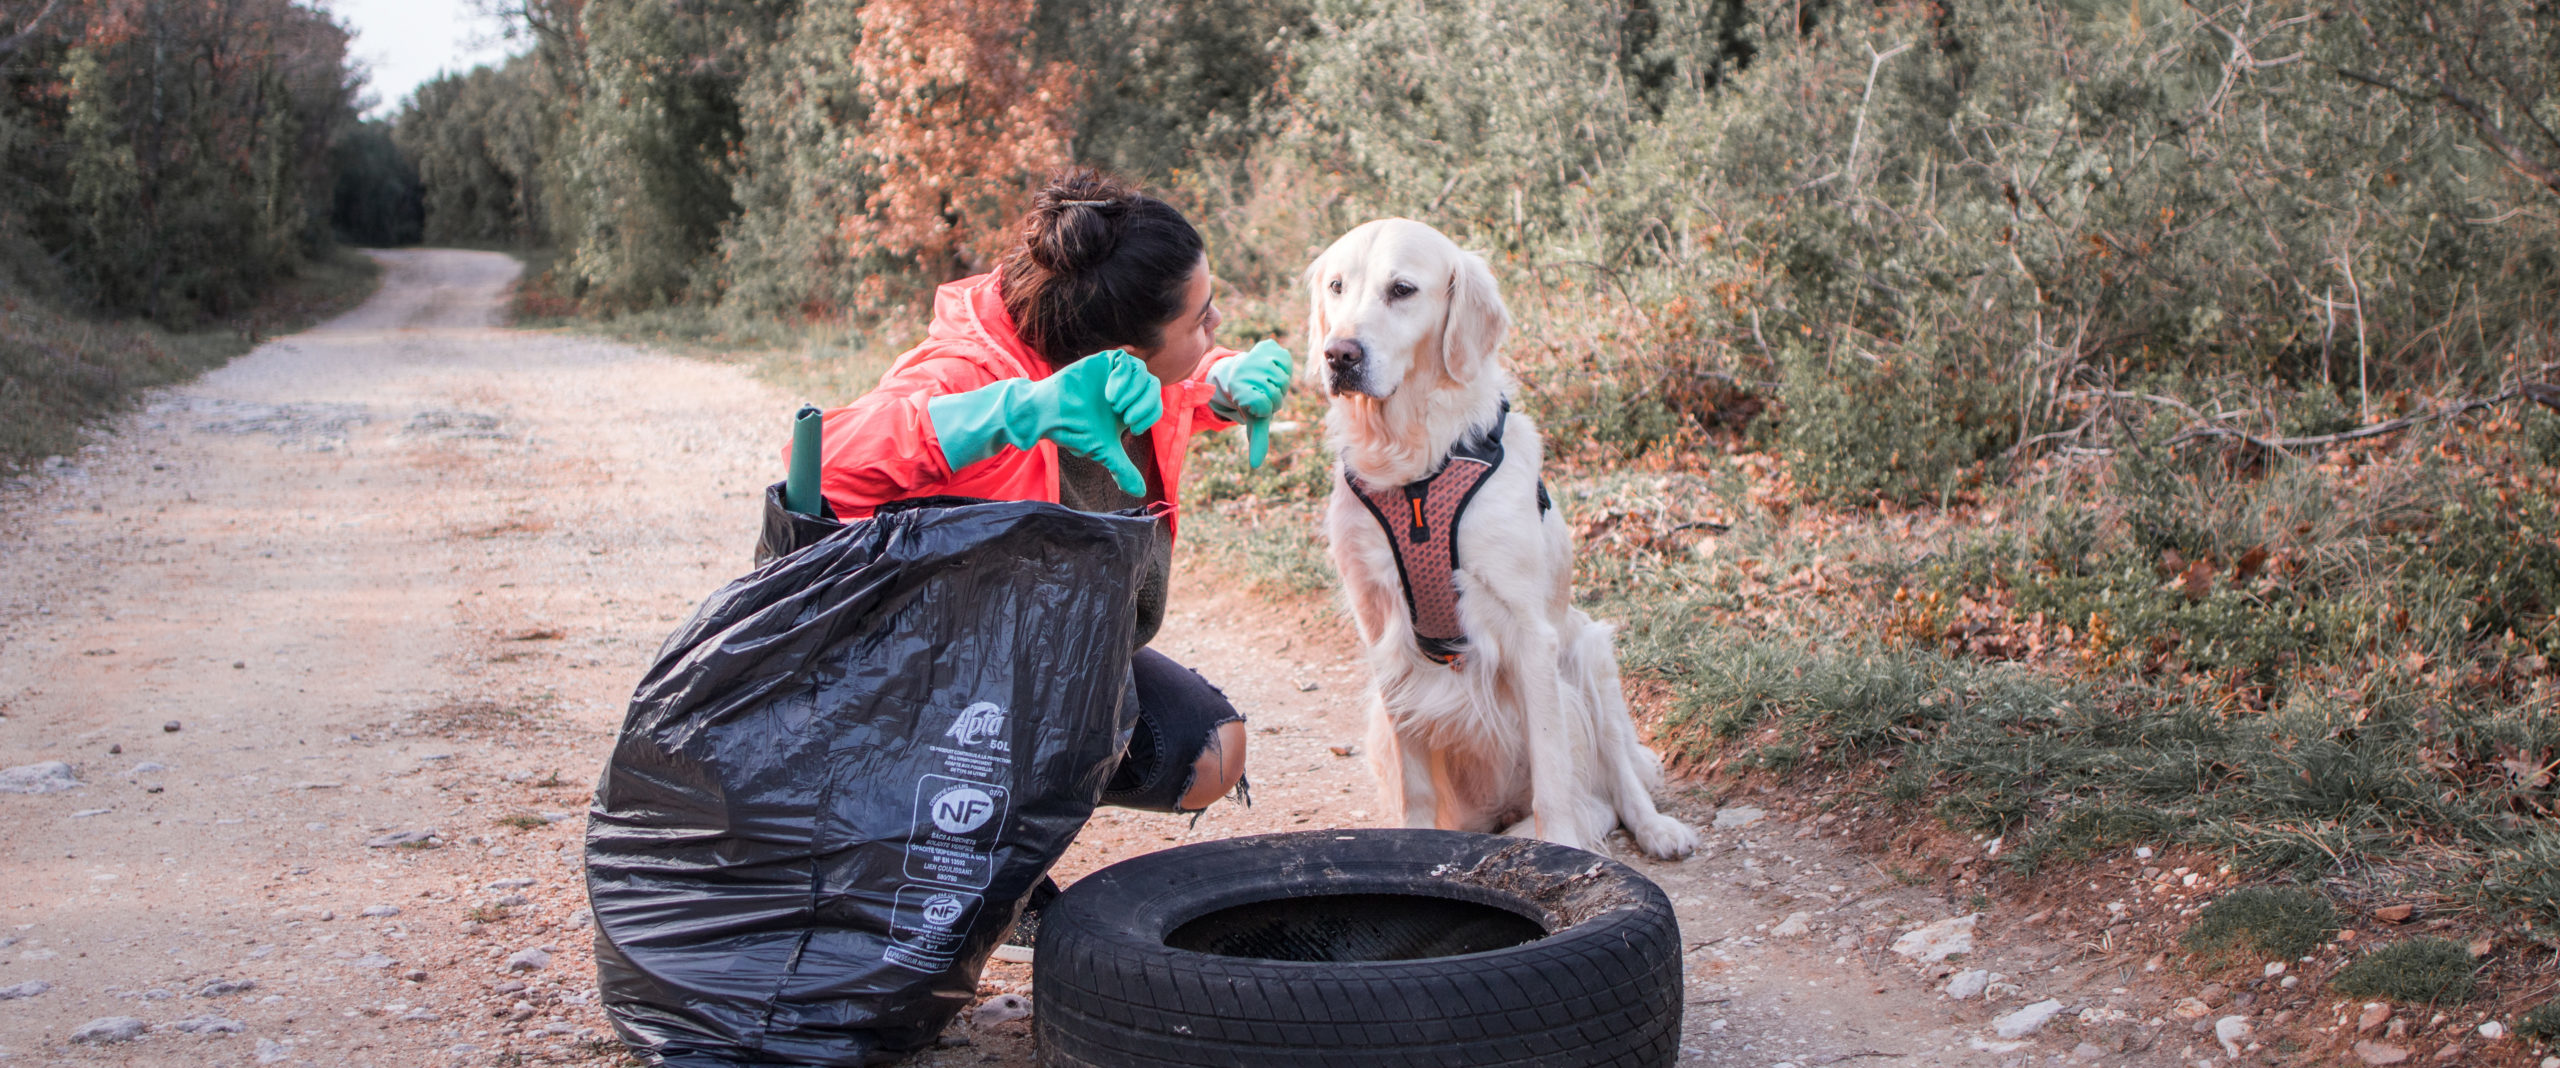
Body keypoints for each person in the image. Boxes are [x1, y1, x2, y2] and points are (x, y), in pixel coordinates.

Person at [789, 168, 1293, 820]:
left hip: (1033, 654)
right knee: (1001, 735)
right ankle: (938, 850)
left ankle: (1000, 838)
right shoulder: (973, 374)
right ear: (1127, 348)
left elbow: (1176, 390)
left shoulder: (1119, 366)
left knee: (1205, 752)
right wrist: (1015, 412)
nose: (1218, 323)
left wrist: (1223, 380)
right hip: (916, 671)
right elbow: (822, 464)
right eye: (1202, 319)